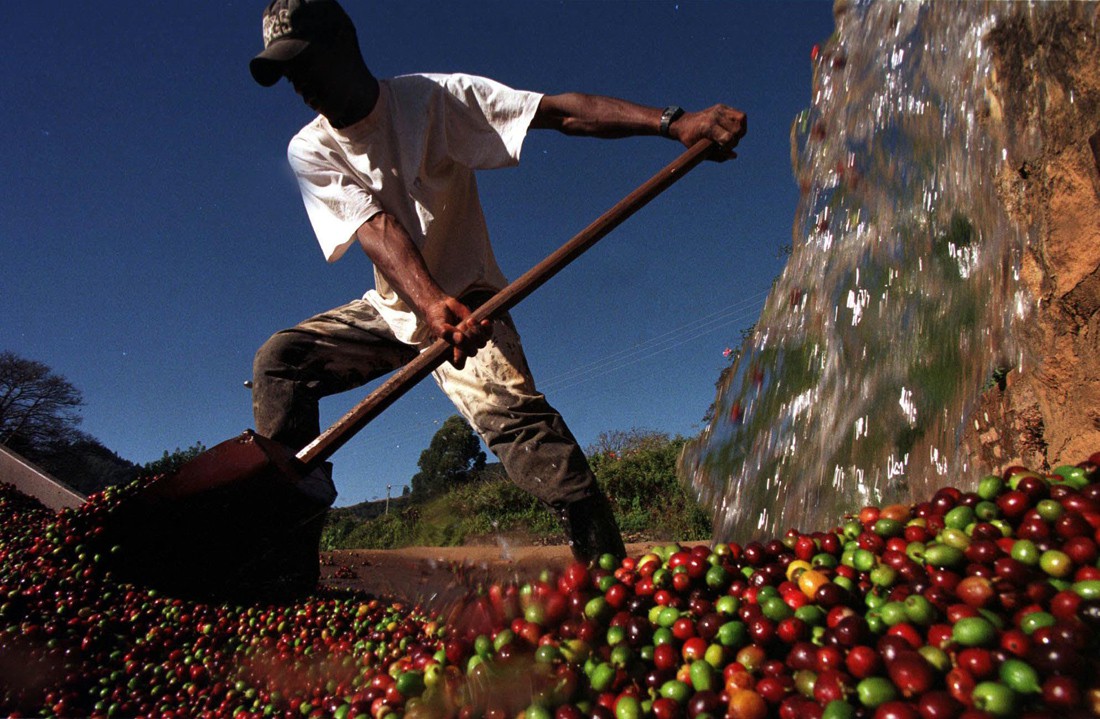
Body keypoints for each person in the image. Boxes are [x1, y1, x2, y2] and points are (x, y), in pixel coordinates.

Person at [248, 0, 747, 587]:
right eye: (286, 74)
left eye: (305, 63)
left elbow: (557, 113)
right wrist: (429, 306)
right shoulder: (310, 149)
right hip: (394, 310)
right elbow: (375, 228)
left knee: (525, 432)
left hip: (473, 302)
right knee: (281, 362)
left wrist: (672, 122)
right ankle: (286, 574)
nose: (299, 85)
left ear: (344, 43)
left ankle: (611, 581)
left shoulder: (434, 99)